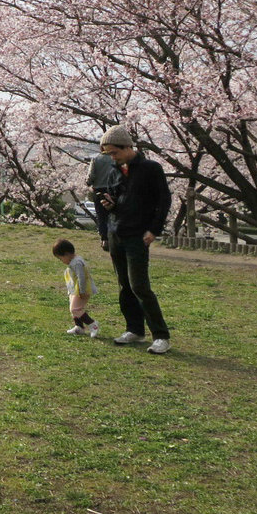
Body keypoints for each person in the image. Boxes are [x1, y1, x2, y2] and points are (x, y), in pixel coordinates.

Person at [98, 125, 173, 355]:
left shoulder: (151, 168)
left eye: (114, 152)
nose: (113, 157)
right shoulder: (115, 170)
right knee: (124, 285)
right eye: (109, 154)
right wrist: (110, 206)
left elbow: (164, 201)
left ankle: (161, 336)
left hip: (138, 235)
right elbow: (117, 199)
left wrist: (154, 230)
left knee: (139, 285)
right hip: (116, 233)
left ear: (128, 147)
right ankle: (134, 329)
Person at [53, 238, 99, 338]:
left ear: (66, 254)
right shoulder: (73, 262)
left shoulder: (77, 262)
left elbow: (81, 277)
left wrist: (82, 291)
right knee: (74, 309)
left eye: (61, 258)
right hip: (75, 291)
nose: (61, 261)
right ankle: (79, 327)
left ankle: (92, 324)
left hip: (82, 290)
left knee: (75, 309)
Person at [85, 151, 121, 251]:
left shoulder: (96, 159)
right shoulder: (116, 157)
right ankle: (116, 238)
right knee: (114, 215)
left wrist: (88, 182)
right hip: (114, 190)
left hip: (99, 190)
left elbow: (91, 176)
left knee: (101, 216)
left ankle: (105, 240)